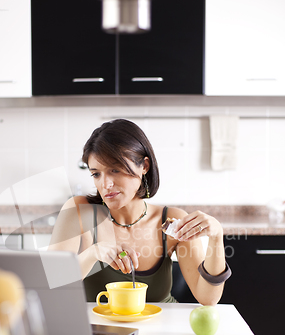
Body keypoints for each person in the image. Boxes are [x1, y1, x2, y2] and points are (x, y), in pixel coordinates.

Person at [49, 119, 231, 304]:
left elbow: (208, 298)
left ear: (144, 166)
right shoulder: (80, 212)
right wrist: (93, 253)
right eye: (96, 174)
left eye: (115, 169)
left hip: (162, 328)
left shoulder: (172, 219)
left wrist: (217, 237)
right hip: (102, 330)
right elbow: (50, 289)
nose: (105, 184)